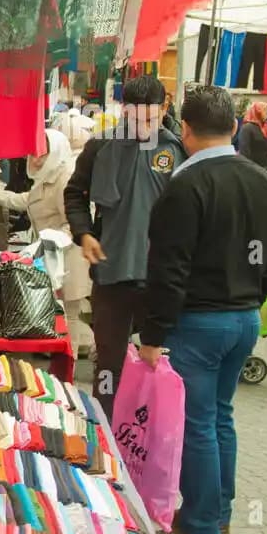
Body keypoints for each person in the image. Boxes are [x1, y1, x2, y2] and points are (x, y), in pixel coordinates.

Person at [139, 86, 267, 534]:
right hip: (243, 319)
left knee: (198, 422)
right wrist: (252, 302)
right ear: (236, 126)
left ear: (183, 130)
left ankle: (200, 526)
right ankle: (216, 515)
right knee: (220, 417)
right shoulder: (263, 180)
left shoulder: (185, 186)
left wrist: (153, 334)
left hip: (200, 322)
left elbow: (168, 268)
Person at [64, 75, 185, 420]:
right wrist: (84, 233)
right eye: (135, 118)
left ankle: (147, 433)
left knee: (157, 363)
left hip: (160, 279)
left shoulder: (176, 151)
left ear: (163, 108)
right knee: (108, 365)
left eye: (150, 118)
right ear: (123, 110)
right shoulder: (100, 148)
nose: (143, 126)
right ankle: (103, 431)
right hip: (112, 274)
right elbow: (75, 194)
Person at [0, 129, 94, 355]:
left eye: (41, 153)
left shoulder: (64, 178)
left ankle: (68, 375)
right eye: (33, 152)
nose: (35, 159)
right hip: (52, 260)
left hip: (67, 261)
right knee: (61, 318)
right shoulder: (47, 176)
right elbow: (30, 200)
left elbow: (72, 223)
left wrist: (41, 245)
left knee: (69, 319)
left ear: (55, 150)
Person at [236, 101, 267, 168]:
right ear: (257, 111)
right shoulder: (247, 128)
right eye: (265, 110)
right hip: (254, 168)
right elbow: (244, 152)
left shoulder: (266, 126)